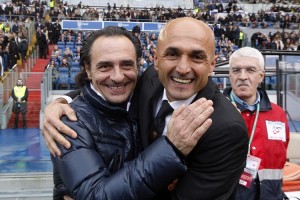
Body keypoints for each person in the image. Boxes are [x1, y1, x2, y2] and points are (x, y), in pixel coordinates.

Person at [43, 18, 249, 199]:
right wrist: (61, 102)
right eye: (172, 54)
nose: (183, 68)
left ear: (212, 64)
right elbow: (95, 96)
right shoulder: (152, 79)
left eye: (197, 57)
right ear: (156, 60)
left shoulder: (226, 129)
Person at [223, 47, 290, 200]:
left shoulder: (278, 114)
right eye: (236, 70)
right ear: (230, 75)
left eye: (250, 70)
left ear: (261, 76)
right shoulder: (214, 112)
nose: (242, 76)